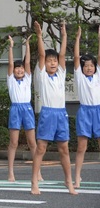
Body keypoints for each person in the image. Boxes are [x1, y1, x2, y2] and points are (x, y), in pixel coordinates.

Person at [31, 21, 77, 195]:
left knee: (64, 148)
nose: (52, 63)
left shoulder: (60, 74)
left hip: (61, 114)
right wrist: (39, 36)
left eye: (54, 61)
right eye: (50, 61)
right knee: (41, 147)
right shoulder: (41, 75)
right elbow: (42, 56)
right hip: (48, 113)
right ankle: (34, 181)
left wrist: (64, 35)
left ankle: (68, 181)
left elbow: (63, 55)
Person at [6, 34, 42, 182]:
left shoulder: (27, 78)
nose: (20, 70)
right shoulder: (11, 80)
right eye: (17, 69)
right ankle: (10, 173)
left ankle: (37, 172)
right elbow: (9, 64)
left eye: (21, 68)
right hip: (15, 109)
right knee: (13, 143)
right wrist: (11, 47)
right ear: (13, 71)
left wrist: (27, 45)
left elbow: (28, 63)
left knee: (32, 142)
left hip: (27, 109)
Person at [73, 26, 100, 188]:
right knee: (82, 147)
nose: (89, 68)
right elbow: (76, 57)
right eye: (86, 65)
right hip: (84, 111)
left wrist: (98, 38)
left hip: (98, 110)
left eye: (92, 65)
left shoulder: (97, 75)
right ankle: (77, 178)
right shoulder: (80, 77)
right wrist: (77, 38)